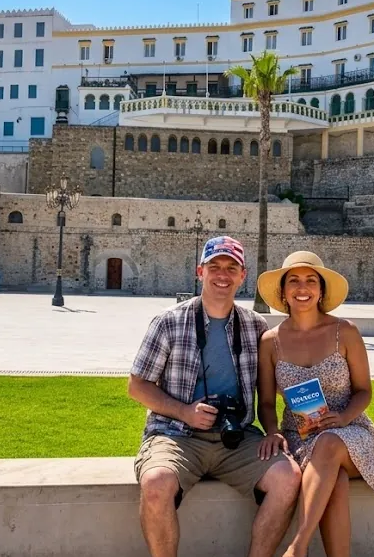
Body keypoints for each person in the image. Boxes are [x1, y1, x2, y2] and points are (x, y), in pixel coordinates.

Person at [129, 236, 301, 557]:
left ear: (242, 275)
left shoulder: (255, 326)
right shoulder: (169, 322)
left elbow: (268, 391)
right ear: (200, 272)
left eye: (230, 267)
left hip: (236, 439)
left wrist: (275, 430)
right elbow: (137, 386)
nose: (222, 274)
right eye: (215, 267)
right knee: (156, 483)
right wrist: (184, 412)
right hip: (176, 434)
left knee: (288, 478)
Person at [256, 251, 374, 557]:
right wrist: (271, 431)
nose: (302, 287)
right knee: (337, 482)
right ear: (282, 291)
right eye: (293, 280)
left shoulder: (344, 332)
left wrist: (345, 416)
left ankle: (298, 546)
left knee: (330, 444)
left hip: (350, 433)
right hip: (299, 437)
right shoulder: (270, 341)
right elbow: (266, 402)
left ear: (321, 290)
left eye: (310, 280)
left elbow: (364, 391)